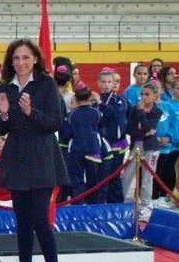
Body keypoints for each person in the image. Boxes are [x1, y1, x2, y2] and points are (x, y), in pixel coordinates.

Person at [0, 38, 68, 262]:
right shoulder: (5, 86)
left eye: (25, 57)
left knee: (39, 219)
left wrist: (30, 111)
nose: (21, 63)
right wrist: (3, 115)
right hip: (16, 157)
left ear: (35, 59)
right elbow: (0, 130)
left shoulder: (46, 84)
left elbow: (55, 123)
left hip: (42, 156)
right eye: (16, 58)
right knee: (22, 220)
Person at [126, 83, 163, 220]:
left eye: (147, 94)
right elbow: (130, 129)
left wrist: (142, 114)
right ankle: (125, 201)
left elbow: (149, 127)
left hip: (151, 147)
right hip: (136, 143)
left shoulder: (157, 111)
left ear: (154, 96)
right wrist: (144, 132)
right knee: (128, 173)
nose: (143, 97)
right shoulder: (134, 109)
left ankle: (146, 204)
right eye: (141, 94)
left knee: (148, 176)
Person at [65, 85, 103, 203]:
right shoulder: (96, 112)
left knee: (77, 178)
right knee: (93, 178)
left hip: (77, 149)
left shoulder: (72, 114)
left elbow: (68, 133)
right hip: (93, 149)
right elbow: (99, 129)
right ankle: (93, 204)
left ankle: (78, 203)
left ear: (76, 98)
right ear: (90, 97)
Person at [155, 78, 179, 197]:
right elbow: (171, 125)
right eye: (178, 88)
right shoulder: (168, 105)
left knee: (178, 172)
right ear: (172, 90)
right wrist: (174, 139)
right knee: (165, 171)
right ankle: (161, 194)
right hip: (171, 146)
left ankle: (172, 194)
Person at [97, 68, 130, 204]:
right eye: (103, 82)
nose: (106, 85)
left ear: (113, 83)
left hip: (116, 145)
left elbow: (114, 115)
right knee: (102, 178)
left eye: (109, 82)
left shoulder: (120, 101)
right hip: (101, 145)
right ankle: (101, 206)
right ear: (98, 83)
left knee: (114, 177)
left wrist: (101, 104)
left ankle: (117, 206)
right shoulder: (94, 100)